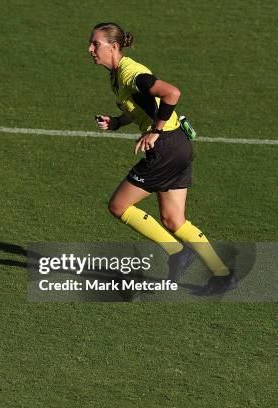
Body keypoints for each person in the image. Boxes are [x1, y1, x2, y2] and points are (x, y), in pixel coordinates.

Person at [88, 22, 235, 294]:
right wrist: (118, 122)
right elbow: (142, 107)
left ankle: (178, 253)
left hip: (165, 146)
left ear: (114, 46)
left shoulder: (131, 73)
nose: (90, 49)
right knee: (174, 220)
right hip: (178, 143)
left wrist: (155, 132)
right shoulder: (117, 75)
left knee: (119, 206)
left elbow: (172, 93)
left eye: (96, 44)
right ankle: (223, 274)